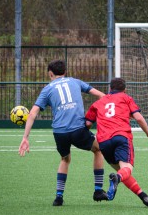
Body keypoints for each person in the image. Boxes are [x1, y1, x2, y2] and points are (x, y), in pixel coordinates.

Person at [18, 59, 106, 206]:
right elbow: (101, 96)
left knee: (65, 159)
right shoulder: (76, 82)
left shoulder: (47, 89)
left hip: (60, 133)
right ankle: (98, 190)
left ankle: (59, 197)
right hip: (78, 129)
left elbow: (32, 113)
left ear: (50, 74)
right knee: (98, 150)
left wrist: (25, 137)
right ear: (65, 72)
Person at [85, 77, 148, 207]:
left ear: (110, 89)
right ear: (125, 90)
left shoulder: (98, 103)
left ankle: (143, 196)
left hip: (104, 143)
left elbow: (88, 123)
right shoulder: (126, 98)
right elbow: (139, 118)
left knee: (122, 172)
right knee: (125, 170)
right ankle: (116, 179)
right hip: (121, 137)